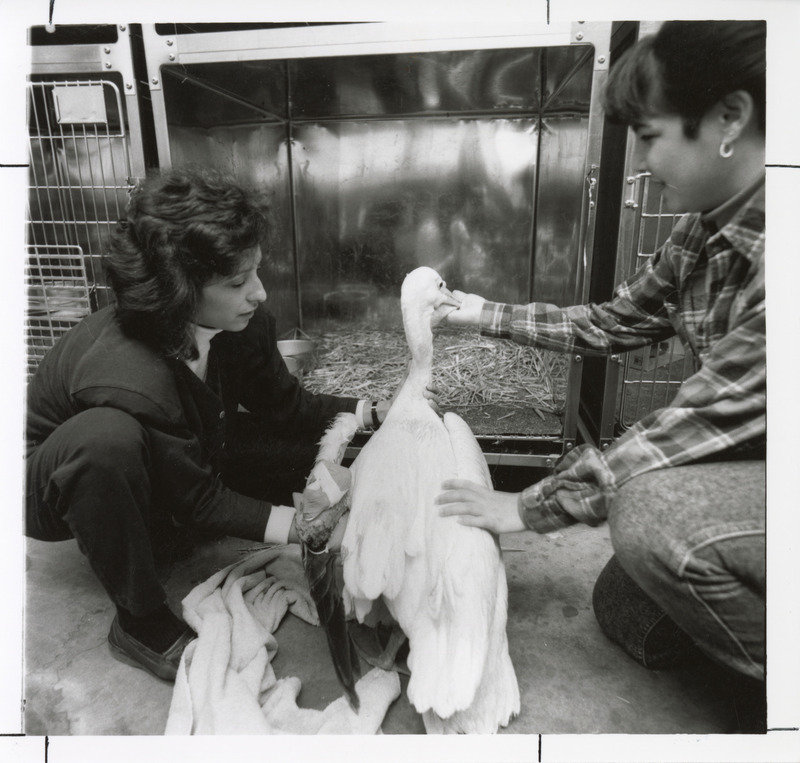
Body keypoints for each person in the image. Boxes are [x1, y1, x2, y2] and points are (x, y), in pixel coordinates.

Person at [436, 20, 766, 693]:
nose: (640, 164)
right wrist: (480, 314)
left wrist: (527, 508)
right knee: (624, 600)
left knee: (651, 517)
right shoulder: (705, 228)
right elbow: (616, 321)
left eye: (649, 137)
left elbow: (690, 425)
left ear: (730, 116)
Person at [25, 169, 393, 682]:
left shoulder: (239, 324)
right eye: (238, 282)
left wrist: (375, 410)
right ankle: (139, 620)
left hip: (173, 449)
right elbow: (200, 497)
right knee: (106, 441)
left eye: (257, 272)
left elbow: (289, 408)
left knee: (290, 449)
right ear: (179, 291)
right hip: (56, 480)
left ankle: (163, 527)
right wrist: (303, 529)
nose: (260, 293)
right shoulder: (131, 374)